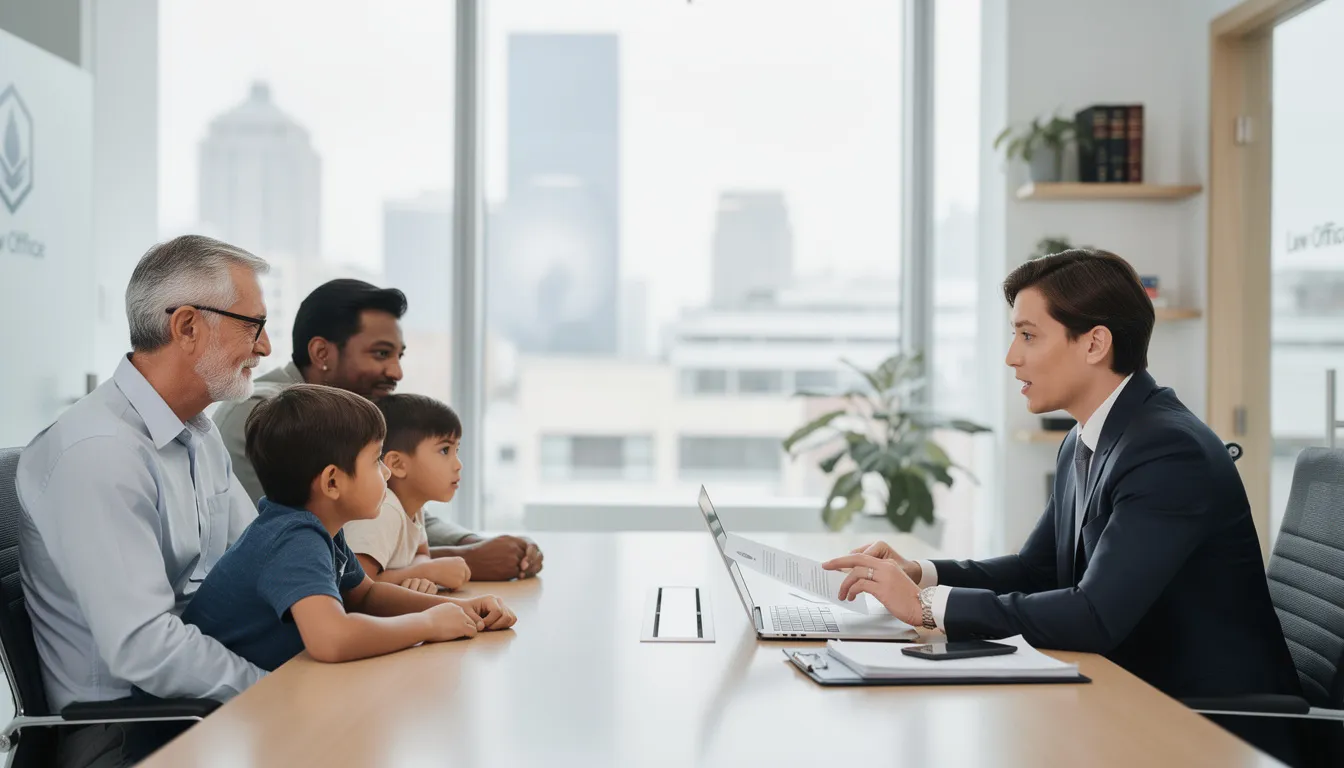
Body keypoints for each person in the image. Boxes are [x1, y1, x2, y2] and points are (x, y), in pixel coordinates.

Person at [823, 249, 1302, 761]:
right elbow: (1038, 569)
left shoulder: (1168, 449)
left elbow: (1094, 616)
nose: (1012, 356)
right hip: (1132, 693)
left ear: (1095, 343)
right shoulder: (1086, 438)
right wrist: (922, 575)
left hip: (1210, 727)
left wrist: (925, 608)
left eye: (1028, 335)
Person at [17, 235, 273, 767]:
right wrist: (274, 690)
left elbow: (258, 563)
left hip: (189, 703)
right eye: (253, 325)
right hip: (124, 730)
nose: (265, 347)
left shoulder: (197, 433)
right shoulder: (99, 452)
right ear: (187, 327)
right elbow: (145, 647)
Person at [213, 279, 544, 581]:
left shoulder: (349, 419)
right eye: (381, 354)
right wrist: (464, 560)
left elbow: (398, 507)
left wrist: (476, 544)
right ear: (322, 353)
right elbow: (300, 542)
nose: (396, 372)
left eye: (398, 355)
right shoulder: (263, 414)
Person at [182, 385, 516, 671]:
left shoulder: (318, 528)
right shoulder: (293, 540)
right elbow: (332, 640)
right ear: (332, 482)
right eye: (376, 460)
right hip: (217, 710)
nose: (386, 472)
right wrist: (428, 624)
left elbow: (366, 595)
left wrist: (458, 608)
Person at [343, 394, 474, 593]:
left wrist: (420, 573)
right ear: (397, 464)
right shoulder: (384, 511)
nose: (458, 465)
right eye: (445, 450)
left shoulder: (413, 507)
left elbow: (420, 553)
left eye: (457, 450)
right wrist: (428, 571)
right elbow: (355, 586)